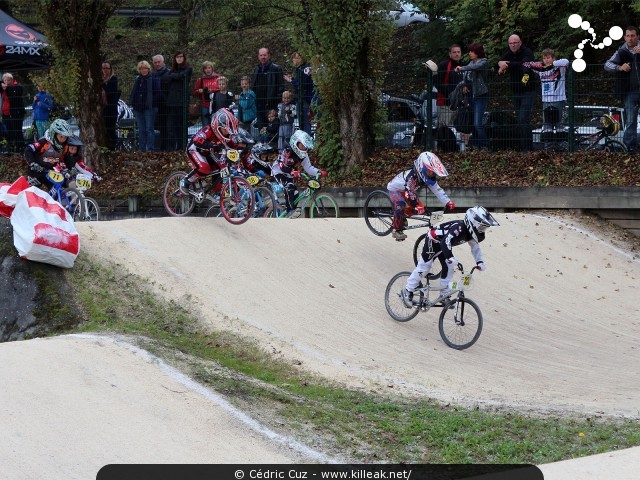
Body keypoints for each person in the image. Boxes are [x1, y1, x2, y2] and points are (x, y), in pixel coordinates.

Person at [402, 206, 499, 305]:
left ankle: (444, 295)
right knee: (424, 268)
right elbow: (445, 241)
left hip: (443, 246)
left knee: (449, 267)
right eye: (482, 227)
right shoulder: (459, 227)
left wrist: (479, 261)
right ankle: (407, 290)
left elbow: (475, 248)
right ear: (473, 223)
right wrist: (450, 257)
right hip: (433, 240)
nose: (482, 231)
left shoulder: (470, 234)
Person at [386, 151, 455, 241]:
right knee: (401, 204)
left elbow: (438, 190)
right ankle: (396, 230)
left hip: (407, 190)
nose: (431, 175)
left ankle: (401, 216)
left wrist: (448, 202)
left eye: (433, 173)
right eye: (429, 172)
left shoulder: (425, 176)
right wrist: (416, 206)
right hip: (395, 189)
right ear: (421, 167)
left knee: (419, 208)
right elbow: (409, 192)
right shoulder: (412, 176)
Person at [180, 108, 240, 194]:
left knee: (220, 167)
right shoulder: (208, 130)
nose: (227, 132)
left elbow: (233, 145)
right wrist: (212, 146)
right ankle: (186, 181)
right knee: (204, 168)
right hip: (194, 149)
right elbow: (197, 141)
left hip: (207, 152)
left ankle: (217, 191)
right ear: (217, 125)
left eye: (228, 130)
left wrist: (242, 150)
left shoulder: (227, 135)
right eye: (225, 129)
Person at [270, 129, 326, 218]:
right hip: (278, 172)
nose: (304, 148)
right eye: (302, 145)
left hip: (290, 174)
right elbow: (281, 166)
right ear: (296, 143)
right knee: (289, 186)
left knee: (295, 193)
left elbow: (308, 168)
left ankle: (292, 213)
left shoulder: (304, 155)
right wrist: (292, 171)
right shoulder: (287, 151)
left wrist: (318, 171)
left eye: (306, 146)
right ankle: (290, 211)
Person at [497, 34, 537, 152]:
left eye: (515, 43)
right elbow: (499, 62)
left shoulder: (527, 52)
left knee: (523, 118)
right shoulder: (508, 53)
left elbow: (523, 64)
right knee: (520, 120)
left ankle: (527, 148)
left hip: (528, 90)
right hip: (515, 91)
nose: (513, 45)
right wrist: (500, 64)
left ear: (520, 42)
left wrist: (506, 64)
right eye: (511, 43)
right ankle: (524, 146)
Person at [605, 26, 640, 152]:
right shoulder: (621, 51)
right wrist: (619, 67)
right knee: (630, 120)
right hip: (630, 92)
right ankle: (630, 148)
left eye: (633, 36)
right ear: (625, 37)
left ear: (638, 37)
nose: (630, 38)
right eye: (628, 36)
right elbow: (607, 65)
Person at [523, 49, 570, 134]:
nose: (546, 60)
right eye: (544, 58)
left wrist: (551, 65)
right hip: (546, 101)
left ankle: (561, 144)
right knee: (547, 125)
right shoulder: (541, 69)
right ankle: (548, 144)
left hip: (559, 100)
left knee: (559, 124)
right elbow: (527, 64)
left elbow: (566, 61)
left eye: (548, 58)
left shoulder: (560, 67)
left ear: (553, 58)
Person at [455, 43, 490, 150]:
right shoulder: (470, 62)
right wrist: (464, 85)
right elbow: (466, 78)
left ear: (477, 52)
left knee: (477, 123)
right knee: (472, 122)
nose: (469, 53)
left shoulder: (483, 62)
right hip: (470, 97)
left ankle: (485, 145)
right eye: (469, 51)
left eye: (472, 51)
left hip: (480, 96)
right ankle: (476, 145)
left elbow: (475, 68)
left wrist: (461, 68)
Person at [24, 119, 72, 190]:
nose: (63, 140)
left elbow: (66, 159)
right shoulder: (44, 142)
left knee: (59, 189)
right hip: (36, 171)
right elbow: (28, 150)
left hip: (50, 172)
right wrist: (32, 163)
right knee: (31, 192)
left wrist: (70, 169)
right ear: (54, 134)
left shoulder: (65, 147)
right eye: (61, 136)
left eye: (65, 137)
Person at [128, 60, 161, 152]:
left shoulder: (154, 78)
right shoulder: (138, 80)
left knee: (149, 129)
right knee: (141, 130)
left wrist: (150, 102)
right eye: (142, 69)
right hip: (138, 108)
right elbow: (134, 93)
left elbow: (158, 93)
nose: (144, 70)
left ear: (148, 69)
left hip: (149, 108)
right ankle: (141, 149)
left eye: (145, 68)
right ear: (139, 70)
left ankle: (150, 149)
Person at [251, 47, 284, 130]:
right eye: (261, 55)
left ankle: (272, 142)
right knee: (261, 126)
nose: (263, 57)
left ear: (269, 56)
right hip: (259, 103)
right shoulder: (256, 69)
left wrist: (277, 100)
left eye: (264, 55)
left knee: (272, 126)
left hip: (271, 104)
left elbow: (281, 86)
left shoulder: (276, 68)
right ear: (258, 56)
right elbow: (253, 85)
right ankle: (263, 141)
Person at [166, 52, 193, 151]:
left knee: (182, 127)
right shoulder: (172, 70)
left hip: (182, 102)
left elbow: (181, 76)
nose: (179, 58)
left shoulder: (188, 69)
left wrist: (175, 76)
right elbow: (168, 78)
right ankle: (172, 149)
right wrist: (175, 76)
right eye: (177, 56)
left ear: (184, 58)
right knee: (172, 128)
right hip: (172, 102)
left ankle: (183, 148)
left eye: (181, 56)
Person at [284, 52, 314, 135]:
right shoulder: (299, 69)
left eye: (298, 58)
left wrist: (291, 81)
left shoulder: (305, 69)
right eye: (294, 58)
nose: (295, 60)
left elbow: (302, 84)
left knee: (305, 122)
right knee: (303, 122)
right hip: (302, 98)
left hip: (304, 99)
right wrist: (293, 79)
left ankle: (306, 141)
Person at [434, 44, 463, 127]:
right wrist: (449, 95)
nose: (457, 54)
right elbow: (437, 82)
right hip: (445, 103)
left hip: (460, 104)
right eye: (454, 52)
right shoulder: (443, 65)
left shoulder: (464, 66)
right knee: (444, 129)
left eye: (458, 52)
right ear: (450, 54)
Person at [1, 73, 25, 153]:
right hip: (6, 113)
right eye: (5, 80)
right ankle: (10, 148)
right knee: (9, 131)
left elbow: (14, 96)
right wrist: (1, 84)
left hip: (16, 113)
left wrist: (6, 88)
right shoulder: (3, 87)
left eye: (8, 80)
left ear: (12, 80)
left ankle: (20, 148)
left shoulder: (17, 87)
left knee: (17, 130)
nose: (7, 82)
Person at [192, 60, 220, 128]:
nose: (207, 70)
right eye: (205, 68)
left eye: (209, 68)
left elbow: (223, 89)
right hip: (205, 105)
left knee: (217, 125)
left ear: (212, 68)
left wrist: (213, 90)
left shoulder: (218, 77)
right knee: (206, 126)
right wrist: (199, 91)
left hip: (217, 104)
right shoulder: (201, 80)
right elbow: (194, 93)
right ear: (203, 70)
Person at [153, 54, 171, 151]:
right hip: (157, 105)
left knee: (168, 127)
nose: (157, 64)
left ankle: (168, 148)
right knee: (160, 127)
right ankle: (161, 147)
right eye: (155, 62)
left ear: (163, 62)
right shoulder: (153, 75)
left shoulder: (168, 74)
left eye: (159, 62)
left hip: (167, 105)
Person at [101, 61, 120, 150]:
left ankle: (112, 147)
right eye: (103, 68)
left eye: (107, 68)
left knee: (111, 129)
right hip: (103, 109)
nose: (105, 70)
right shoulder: (100, 79)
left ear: (110, 69)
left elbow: (110, 91)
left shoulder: (113, 79)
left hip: (111, 108)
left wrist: (103, 84)